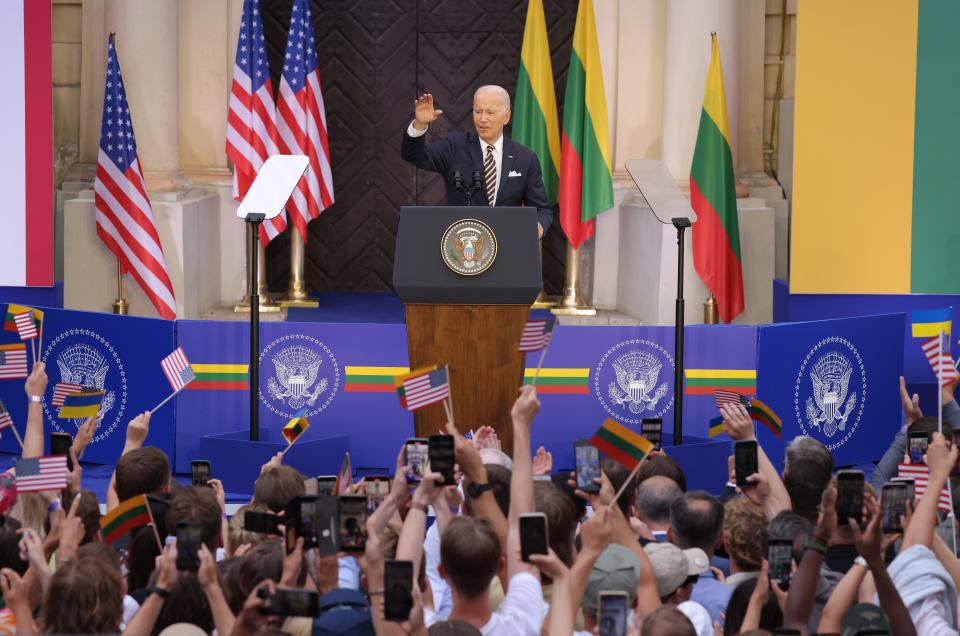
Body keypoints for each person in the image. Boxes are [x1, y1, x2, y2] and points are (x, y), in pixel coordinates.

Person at [400, 87, 553, 237]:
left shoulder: (525, 158)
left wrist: (538, 227)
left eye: (490, 112)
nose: (483, 119)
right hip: (463, 243)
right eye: (478, 111)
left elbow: (542, 209)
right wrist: (419, 125)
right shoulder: (455, 147)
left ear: (506, 117)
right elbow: (415, 156)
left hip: (508, 243)